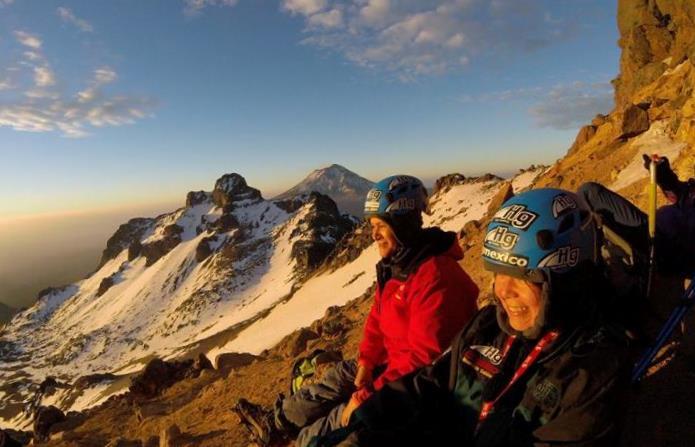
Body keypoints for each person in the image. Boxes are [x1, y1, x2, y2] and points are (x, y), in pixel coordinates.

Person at [312, 188, 633, 447]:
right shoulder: (488, 325)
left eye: (522, 275)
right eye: (498, 274)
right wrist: (369, 419)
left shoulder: (590, 371)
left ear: (563, 275)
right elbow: (432, 382)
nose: (502, 291)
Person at [234, 175, 480, 446]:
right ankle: (275, 424)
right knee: (340, 375)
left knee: (330, 426)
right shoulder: (399, 265)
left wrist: (364, 396)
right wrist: (366, 361)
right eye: (372, 225)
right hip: (389, 364)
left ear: (402, 223)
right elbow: (377, 319)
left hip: (412, 387)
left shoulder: (437, 278)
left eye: (381, 225)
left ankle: (302, 438)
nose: (373, 234)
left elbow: (423, 361)